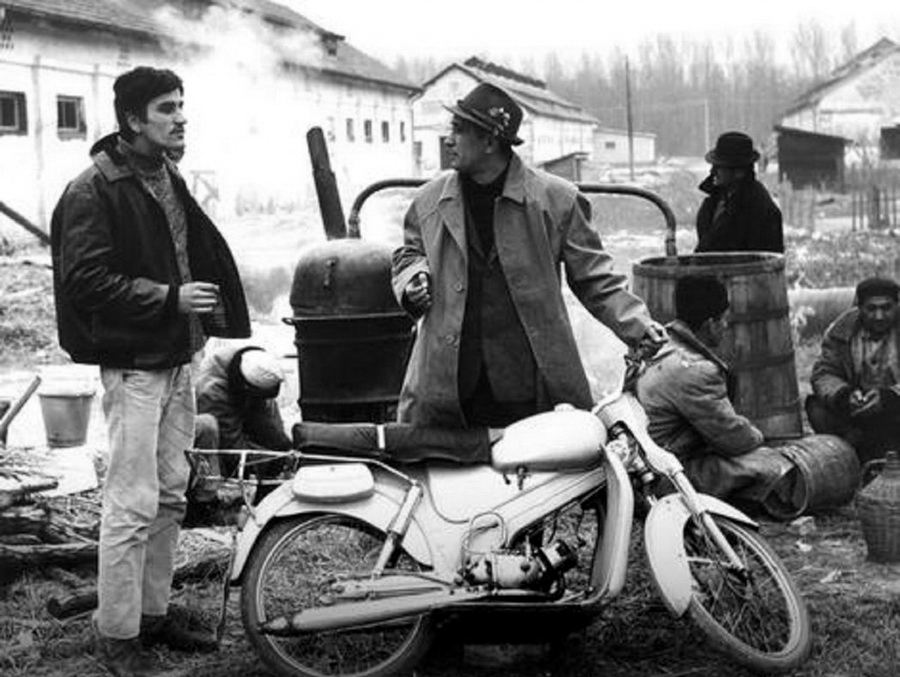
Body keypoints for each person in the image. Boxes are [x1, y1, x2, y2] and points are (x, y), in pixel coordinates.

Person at [50, 66, 250, 676]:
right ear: (133, 119)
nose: (181, 117)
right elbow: (86, 282)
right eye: (166, 108)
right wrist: (169, 298)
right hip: (134, 366)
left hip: (179, 359)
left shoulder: (167, 174)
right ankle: (117, 635)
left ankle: (153, 614)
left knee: (169, 495)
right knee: (130, 502)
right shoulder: (93, 190)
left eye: (181, 105)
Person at [391, 82, 666, 429]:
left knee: (541, 458)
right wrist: (412, 280)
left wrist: (639, 325)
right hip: (449, 383)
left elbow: (596, 279)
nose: (448, 140)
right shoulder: (428, 201)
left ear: (490, 141)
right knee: (445, 462)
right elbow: (409, 254)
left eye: (459, 130)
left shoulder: (557, 201)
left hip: (527, 384)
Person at [636, 276, 794, 504]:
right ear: (710, 324)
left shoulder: (662, 345)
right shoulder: (696, 370)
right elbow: (732, 438)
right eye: (724, 319)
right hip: (663, 478)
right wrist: (759, 437)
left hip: (644, 467)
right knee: (770, 465)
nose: (726, 326)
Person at [806, 276, 900, 465]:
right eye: (871, 309)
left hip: (895, 410)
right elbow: (824, 372)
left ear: (897, 305)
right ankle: (855, 453)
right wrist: (845, 396)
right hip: (859, 411)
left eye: (886, 308)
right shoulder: (841, 331)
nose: (879, 316)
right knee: (816, 407)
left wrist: (889, 397)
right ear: (859, 307)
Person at [193, 344, 291, 477]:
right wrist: (269, 464)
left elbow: (272, 429)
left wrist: (284, 451)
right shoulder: (213, 393)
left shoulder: (254, 361)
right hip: (220, 433)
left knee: (279, 443)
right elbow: (233, 450)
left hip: (244, 396)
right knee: (249, 463)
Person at [695, 131, 784, 253]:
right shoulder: (715, 202)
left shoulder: (759, 210)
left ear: (739, 172)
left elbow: (761, 258)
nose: (713, 171)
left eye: (719, 166)